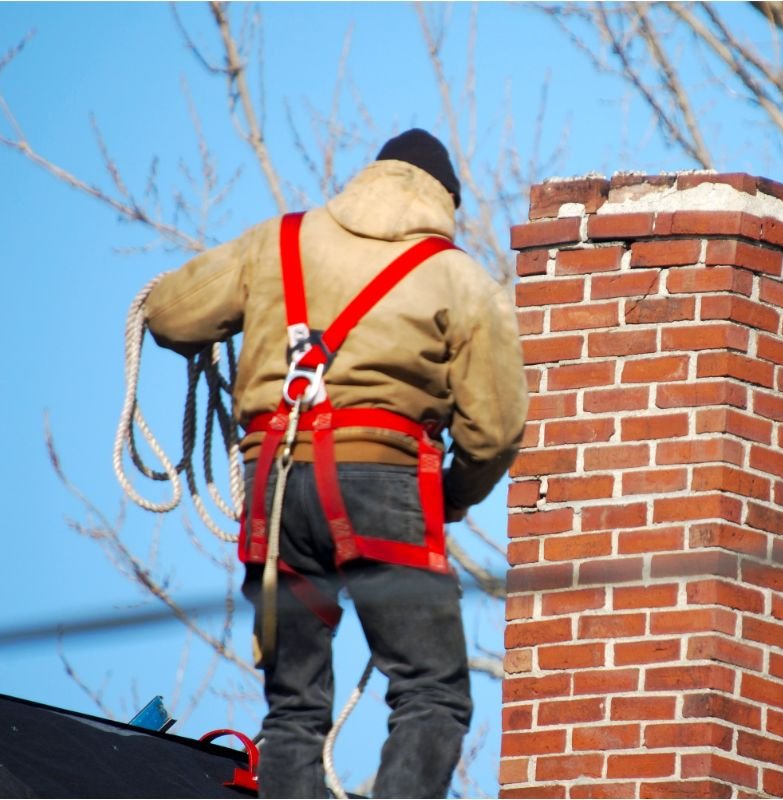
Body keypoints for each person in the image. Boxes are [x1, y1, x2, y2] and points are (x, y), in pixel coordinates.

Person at [143, 129, 528, 798]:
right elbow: (494, 431)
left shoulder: (277, 241)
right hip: (383, 486)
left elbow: (170, 315)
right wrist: (455, 493)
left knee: (293, 706)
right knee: (430, 691)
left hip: (275, 487)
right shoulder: (458, 276)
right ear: (445, 202)